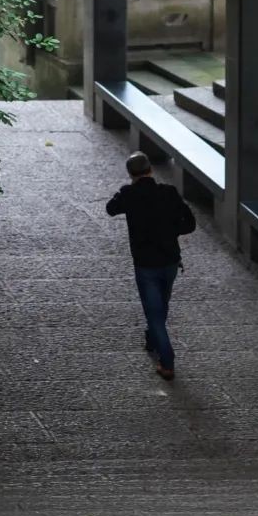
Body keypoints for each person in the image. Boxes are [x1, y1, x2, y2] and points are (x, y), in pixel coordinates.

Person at [106, 150, 196, 381]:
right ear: (150, 170)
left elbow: (110, 208)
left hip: (145, 264)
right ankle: (152, 338)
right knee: (161, 305)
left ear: (131, 174)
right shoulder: (168, 192)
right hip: (170, 261)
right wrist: (171, 231)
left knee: (154, 312)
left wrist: (124, 191)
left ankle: (167, 362)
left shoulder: (129, 193)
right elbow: (190, 223)